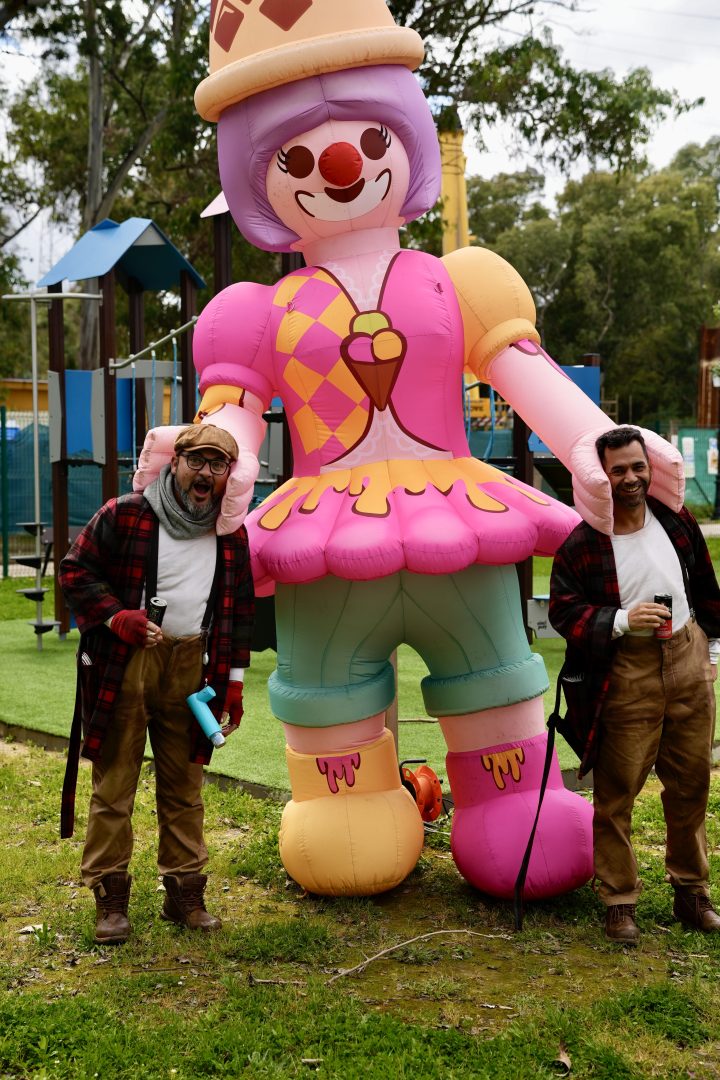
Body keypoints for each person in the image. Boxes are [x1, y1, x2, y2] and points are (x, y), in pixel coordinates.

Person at [58, 425, 254, 945]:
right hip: (125, 665)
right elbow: (74, 572)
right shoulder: (125, 513)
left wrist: (234, 683)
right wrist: (116, 616)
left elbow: (240, 611)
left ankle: (184, 894)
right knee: (114, 785)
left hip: (191, 669)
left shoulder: (230, 532)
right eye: (197, 462)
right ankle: (110, 899)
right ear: (176, 462)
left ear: (227, 475)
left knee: (185, 786)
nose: (206, 474)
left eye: (217, 465)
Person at [550, 425, 720, 943]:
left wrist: (711, 651)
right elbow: (563, 612)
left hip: (687, 656)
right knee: (617, 790)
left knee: (691, 782)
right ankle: (619, 900)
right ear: (601, 476)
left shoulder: (675, 519)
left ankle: (691, 892)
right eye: (618, 470)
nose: (630, 478)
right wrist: (622, 620)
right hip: (628, 669)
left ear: (650, 468)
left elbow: (705, 586)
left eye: (638, 467)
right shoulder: (583, 542)